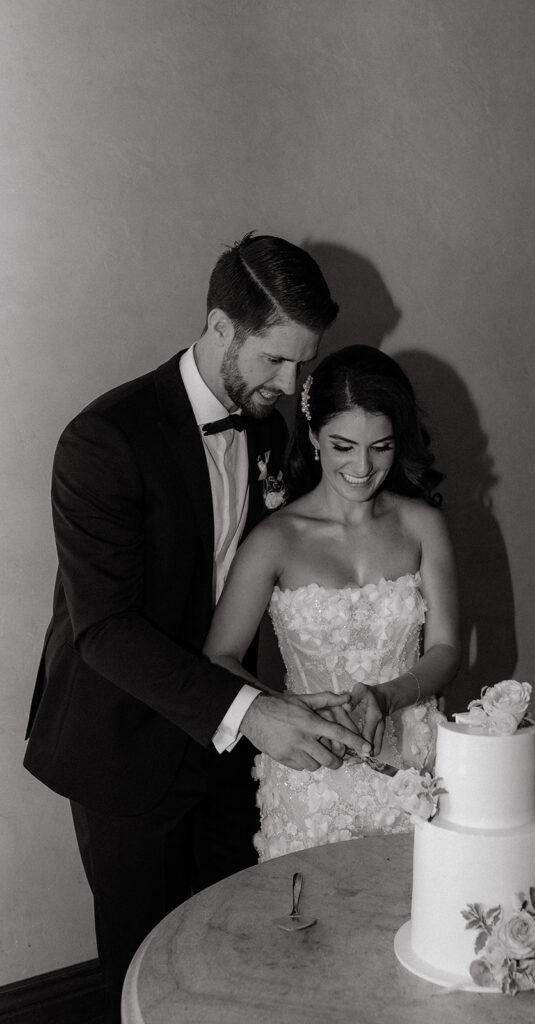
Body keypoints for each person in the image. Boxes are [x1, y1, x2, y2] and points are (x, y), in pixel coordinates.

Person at [23, 233, 371, 1022]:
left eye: (301, 364)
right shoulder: (103, 440)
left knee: (241, 940)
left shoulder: (270, 430)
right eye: (274, 361)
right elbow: (104, 630)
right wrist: (255, 712)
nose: (289, 385)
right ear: (220, 327)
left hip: (226, 740)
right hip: (121, 741)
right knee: (145, 968)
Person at [204, 345, 461, 860]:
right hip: (310, 772)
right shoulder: (274, 539)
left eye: (381, 447)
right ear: (315, 437)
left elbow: (447, 649)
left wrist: (386, 697)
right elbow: (218, 658)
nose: (363, 467)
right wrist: (283, 710)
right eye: (344, 445)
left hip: (415, 762)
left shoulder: (423, 526)